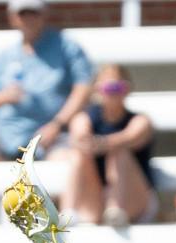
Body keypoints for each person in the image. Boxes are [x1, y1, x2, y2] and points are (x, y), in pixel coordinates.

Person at [0, 0, 93, 165]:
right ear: (12, 18)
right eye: (23, 14)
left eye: (34, 13)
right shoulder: (3, 56)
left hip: (54, 135)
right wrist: (4, 97)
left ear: (45, 14)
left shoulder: (66, 47)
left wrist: (57, 124)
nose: (28, 19)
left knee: (67, 164)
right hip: (5, 136)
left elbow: (83, 88)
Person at [62, 62, 153, 228]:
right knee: (77, 155)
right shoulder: (85, 118)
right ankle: (68, 212)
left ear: (127, 89)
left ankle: (115, 209)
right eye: (108, 89)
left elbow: (129, 137)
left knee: (120, 152)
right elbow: (79, 136)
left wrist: (98, 143)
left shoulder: (140, 121)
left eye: (118, 88)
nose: (113, 94)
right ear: (97, 90)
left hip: (133, 201)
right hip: (95, 201)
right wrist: (90, 142)